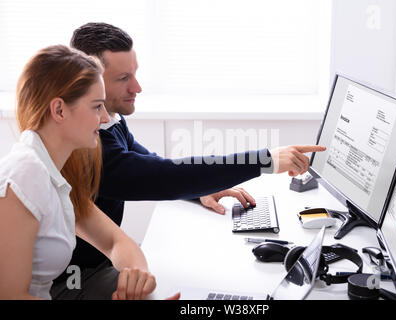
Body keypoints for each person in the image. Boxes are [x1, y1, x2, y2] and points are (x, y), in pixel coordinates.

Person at [50, 22, 326, 299]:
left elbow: (153, 165)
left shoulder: (110, 123)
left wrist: (201, 191)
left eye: (135, 73)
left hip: (97, 266)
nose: (138, 87)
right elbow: (162, 177)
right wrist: (265, 160)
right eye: (123, 78)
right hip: (74, 281)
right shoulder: (86, 145)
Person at [0, 45, 177, 300]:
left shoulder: (50, 173)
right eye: (97, 107)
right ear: (59, 110)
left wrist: (136, 278)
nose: (105, 118)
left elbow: (115, 241)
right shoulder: (24, 177)